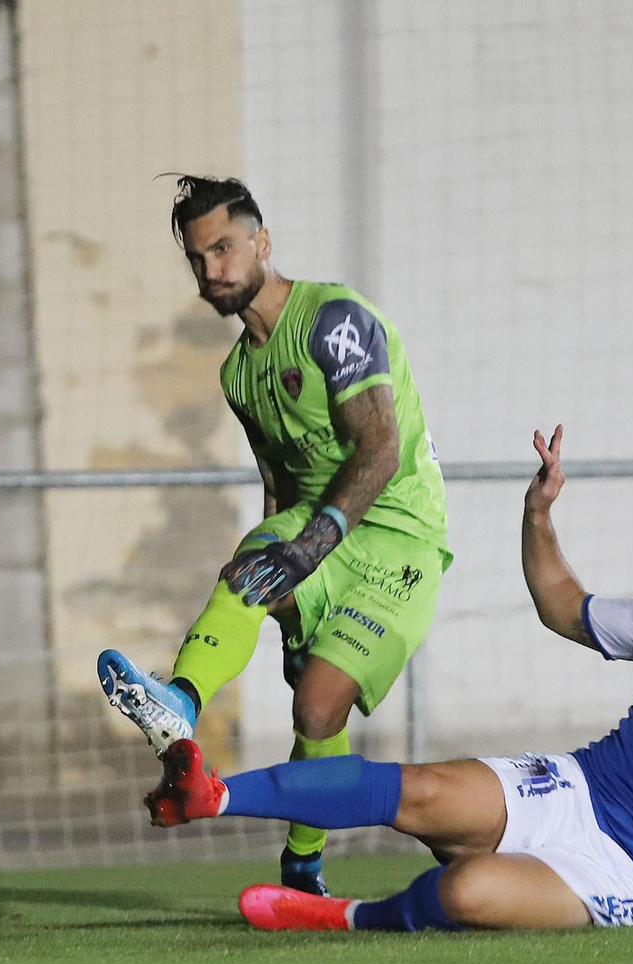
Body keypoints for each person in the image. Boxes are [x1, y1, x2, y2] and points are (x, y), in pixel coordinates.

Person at [115, 425, 633, 931]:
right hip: (571, 787)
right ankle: (212, 796)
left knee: (468, 889)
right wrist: (538, 514)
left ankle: (345, 916)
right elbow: (564, 605)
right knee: (420, 789)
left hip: (625, 873)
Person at [98, 175, 451, 897]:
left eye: (224, 248)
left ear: (263, 242)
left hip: (399, 535)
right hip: (315, 526)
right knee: (249, 566)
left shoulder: (333, 320)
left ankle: (303, 866)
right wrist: (286, 605)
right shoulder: (239, 373)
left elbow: (381, 448)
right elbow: (279, 488)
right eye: (198, 258)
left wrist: (309, 548)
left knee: (317, 708)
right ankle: (180, 703)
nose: (212, 270)